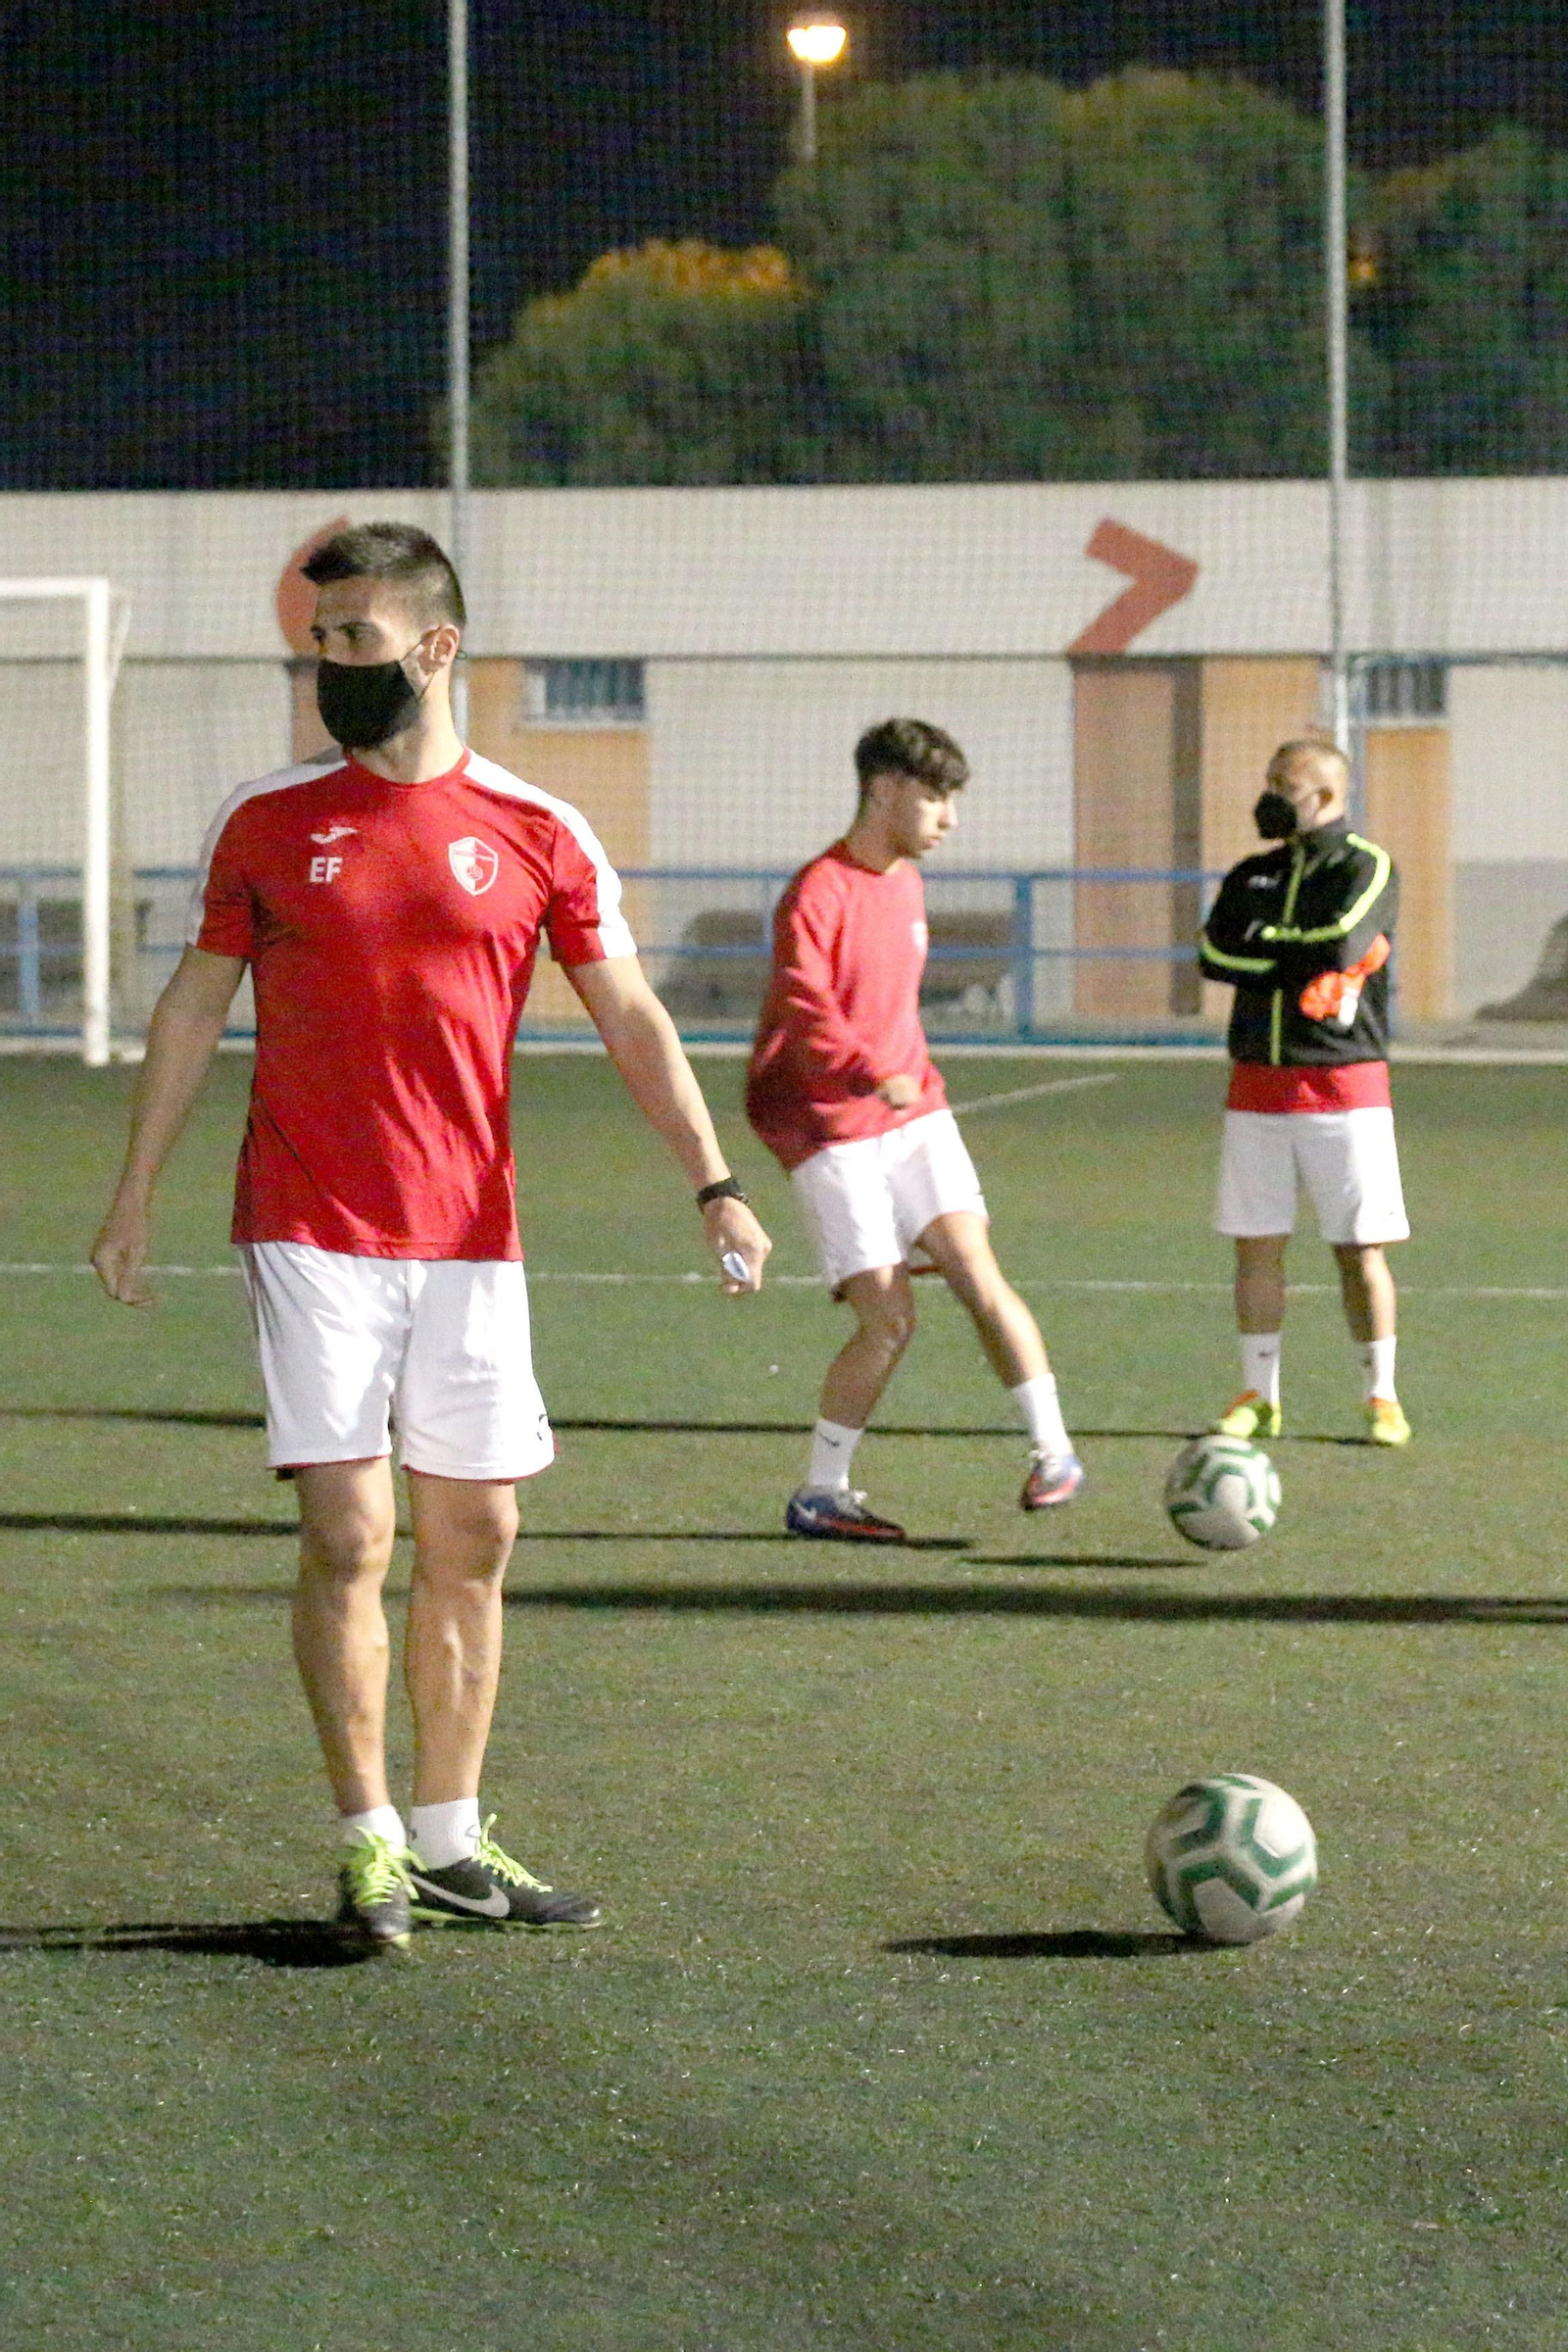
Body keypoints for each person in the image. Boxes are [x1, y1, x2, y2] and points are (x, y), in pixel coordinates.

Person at [91, 521, 770, 1952]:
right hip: (309, 1219)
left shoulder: (537, 828)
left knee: (480, 1527)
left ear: (434, 646)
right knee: (352, 1530)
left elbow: (632, 1016)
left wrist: (713, 1179)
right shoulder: (268, 820)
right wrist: (136, 1187)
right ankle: (368, 1844)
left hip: (471, 1236)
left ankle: (456, 1842)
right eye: (319, 640)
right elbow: (196, 1008)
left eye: (352, 640)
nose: (328, 664)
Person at [745, 717, 1083, 1543]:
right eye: (935, 798)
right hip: (830, 1129)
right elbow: (807, 1008)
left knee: (977, 1271)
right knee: (890, 1320)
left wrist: (907, 1080)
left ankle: (1055, 1453)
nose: (948, 820)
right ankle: (821, 1493)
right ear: (885, 789)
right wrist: (869, 1071)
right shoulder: (816, 892)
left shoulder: (907, 883)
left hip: (915, 1116)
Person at [1198, 736, 1410, 1447]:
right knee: (1255, 1248)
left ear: (1321, 795)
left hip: (1343, 1085)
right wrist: (1290, 951)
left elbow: (1343, 940)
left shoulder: (1368, 866)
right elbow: (1215, 953)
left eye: (1280, 783)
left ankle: (1381, 1396)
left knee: (1360, 1250)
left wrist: (1268, 947)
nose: (1266, 793)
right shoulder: (1251, 872)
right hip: (1256, 1085)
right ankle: (1259, 1395)